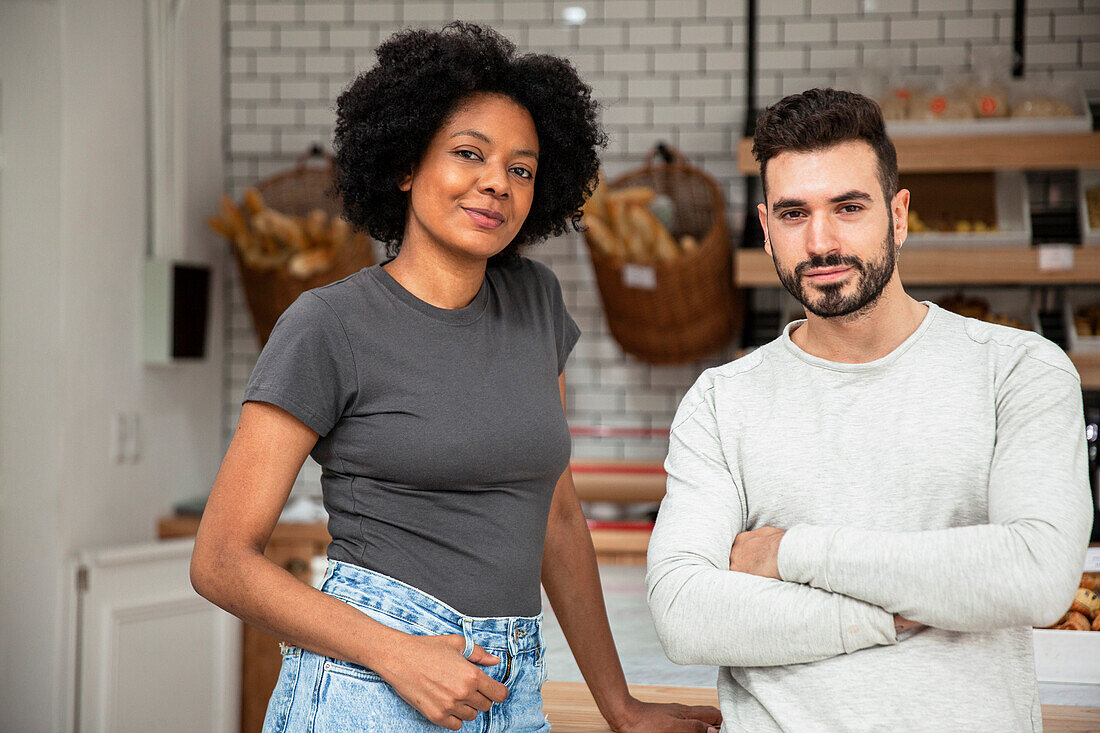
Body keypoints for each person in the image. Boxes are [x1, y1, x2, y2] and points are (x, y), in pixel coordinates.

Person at [190, 23, 720, 733]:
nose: (497, 182)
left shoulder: (536, 301)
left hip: (508, 686)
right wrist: (399, 653)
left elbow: (555, 514)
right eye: (470, 153)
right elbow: (220, 558)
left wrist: (618, 704)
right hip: (368, 684)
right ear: (405, 164)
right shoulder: (327, 324)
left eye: (522, 169)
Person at [646, 88, 1092, 731]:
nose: (821, 242)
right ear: (767, 230)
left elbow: (1036, 576)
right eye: (794, 214)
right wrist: (895, 613)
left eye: (848, 207)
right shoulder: (721, 403)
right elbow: (685, 615)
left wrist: (792, 555)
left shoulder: (1018, 370)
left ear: (899, 214)